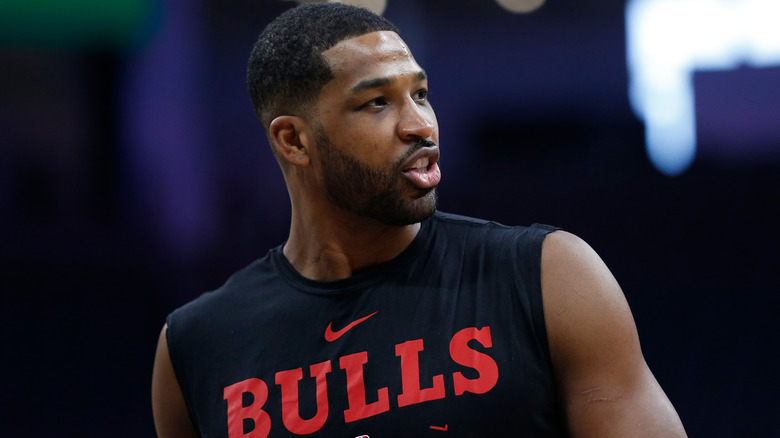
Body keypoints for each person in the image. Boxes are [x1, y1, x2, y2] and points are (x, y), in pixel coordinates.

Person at [151, 3, 688, 437]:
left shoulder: (549, 275)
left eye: (420, 94)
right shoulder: (196, 345)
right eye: (377, 104)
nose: (420, 125)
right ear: (293, 140)